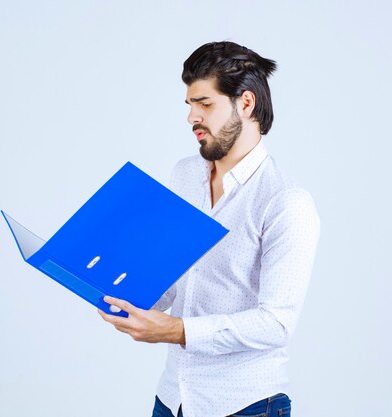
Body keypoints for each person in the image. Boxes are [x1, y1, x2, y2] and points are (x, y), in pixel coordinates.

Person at [97, 41, 320, 417]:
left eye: (205, 104)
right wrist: (120, 290)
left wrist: (176, 330)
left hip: (244, 405)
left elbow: (277, 323)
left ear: (245, 104)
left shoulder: (285, 201)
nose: (192, 118)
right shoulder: (184, 174)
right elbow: (171, 279)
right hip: (173, 398)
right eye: (190, 105)